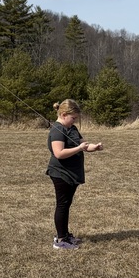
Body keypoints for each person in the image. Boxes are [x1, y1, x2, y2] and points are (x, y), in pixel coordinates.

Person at [46, 99, 102, 250]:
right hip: (61, 173)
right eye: (73, 118)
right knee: (62, 205)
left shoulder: (72, 129)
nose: (74, 121)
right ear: (64, 115)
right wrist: (78, 148)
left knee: (67, 204)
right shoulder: (57, 130)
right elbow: (59, 153)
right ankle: (60, 239)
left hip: (72, 174)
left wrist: (94, 147)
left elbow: (84, 144)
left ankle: (65, 234)